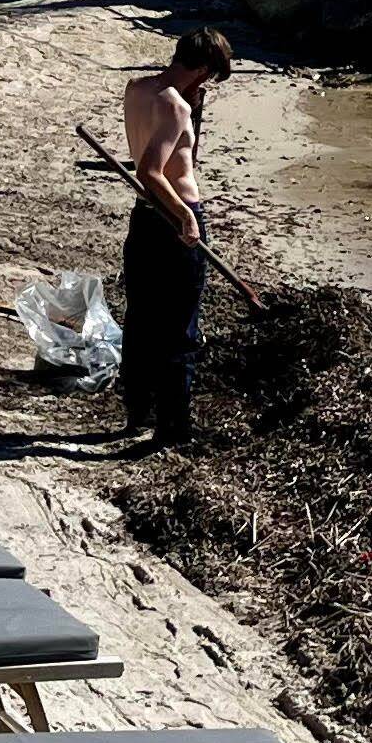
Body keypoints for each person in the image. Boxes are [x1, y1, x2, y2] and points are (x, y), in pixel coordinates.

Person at [119, 27, 232, 448]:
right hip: (172, 220)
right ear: (202, 69)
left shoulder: (138, 88)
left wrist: (192, 108)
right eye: (210, 76)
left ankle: (137, 411)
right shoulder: (174, 106)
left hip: (144, 220)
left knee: (142, 316)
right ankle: (173, 428)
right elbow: (150, 171)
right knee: (180, 326)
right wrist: (186, 215)